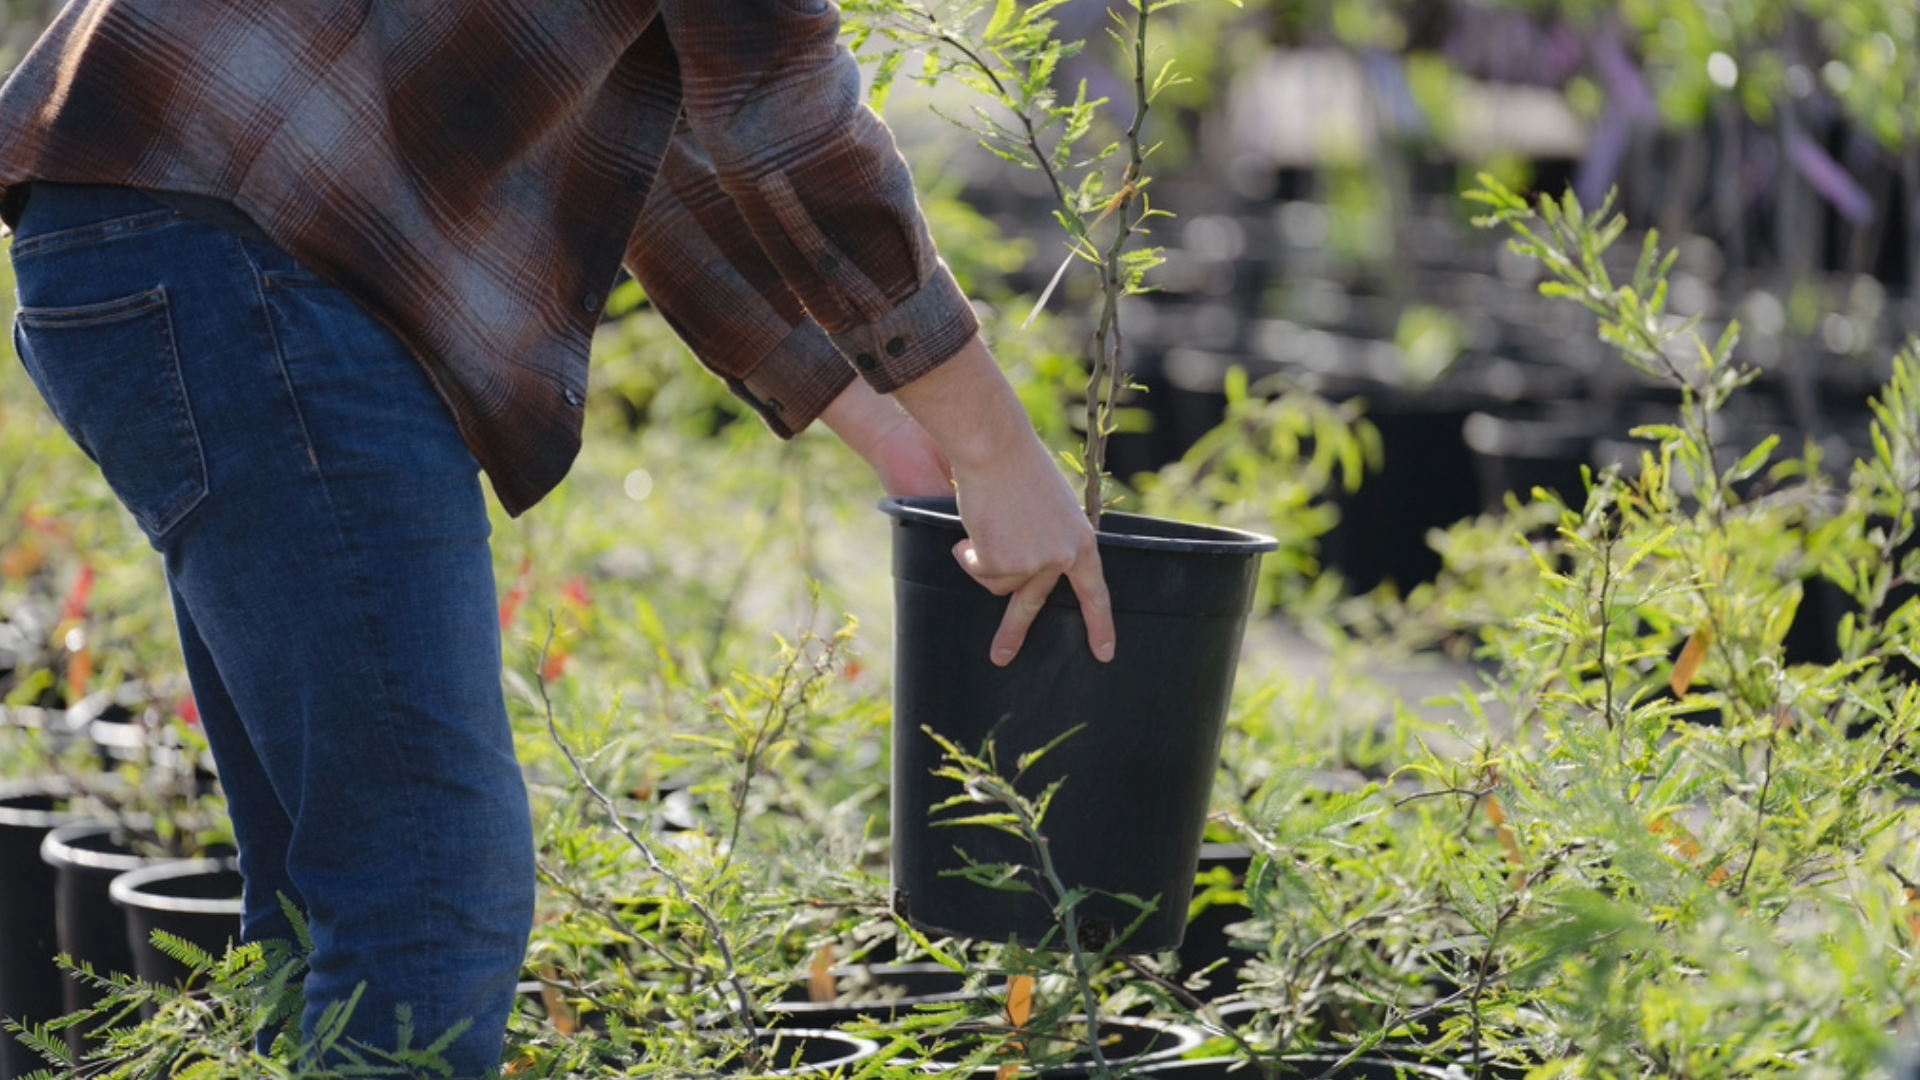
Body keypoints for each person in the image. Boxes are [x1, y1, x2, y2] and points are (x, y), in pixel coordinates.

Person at [0, 0, 1115, 1073]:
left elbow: (657, 160)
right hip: (250, 254)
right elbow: (783, 115)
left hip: (161, 220)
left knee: (333, 889)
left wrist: (894, 434)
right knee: (427, 890)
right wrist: (999, 448)